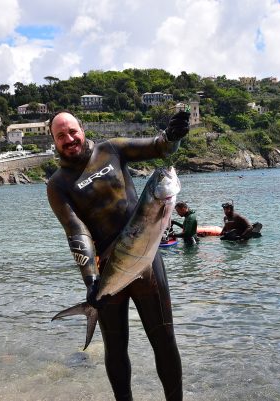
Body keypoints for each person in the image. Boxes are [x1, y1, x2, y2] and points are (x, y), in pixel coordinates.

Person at [47, 109, 189, 401]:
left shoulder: (111, 149)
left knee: (164, 341)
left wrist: (173, 136)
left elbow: (159, 146)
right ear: (54, 141)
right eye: (61, 136)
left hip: (147, 264)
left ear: (82, 129)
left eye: (72, 131)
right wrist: (91, 280)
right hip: (107, 271)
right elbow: (76, 230)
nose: (69, 139)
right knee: (116, 350)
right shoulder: (58, 185)